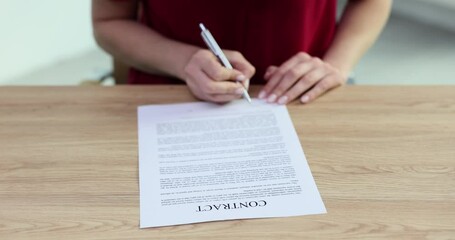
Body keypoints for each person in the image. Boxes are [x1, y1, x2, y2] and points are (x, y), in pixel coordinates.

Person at [92, 0, 392, 104]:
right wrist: (183, 61)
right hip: (170, 95)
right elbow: (109, 21)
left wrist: (337, 65)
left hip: (306, 95)